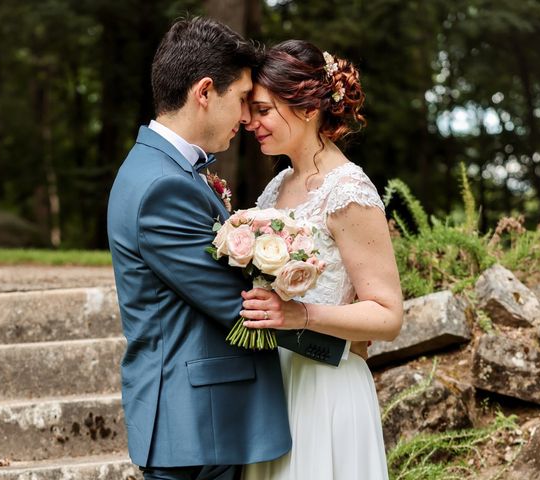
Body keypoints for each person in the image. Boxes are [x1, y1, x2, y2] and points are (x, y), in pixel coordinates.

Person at [106, 17, 292, 480]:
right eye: (243, 99)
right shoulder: (163, 187)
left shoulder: (163, 169)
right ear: (205, 92)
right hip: (195, 426)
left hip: (198, 421)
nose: (248, 118)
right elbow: (238, 306)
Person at [241, 40, 404, 479]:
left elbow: (388, 315)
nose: (249, 122)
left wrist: (302, 314)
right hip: (275, 385)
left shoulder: (347, 190)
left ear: (308, 109)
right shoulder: (276, 188)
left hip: (326, 388)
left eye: (263, 110)